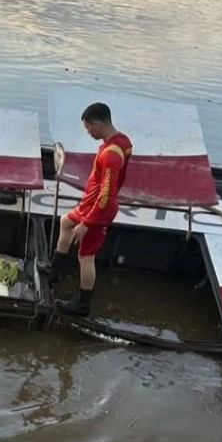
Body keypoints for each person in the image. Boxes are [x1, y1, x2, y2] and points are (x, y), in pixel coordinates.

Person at [51, 102, 133, 316]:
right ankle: (54, 270)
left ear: (97, 124)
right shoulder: (121, 141)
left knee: (86, 257)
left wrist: (87, 223)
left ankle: (82, 305)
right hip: (90, 202)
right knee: (66, 221)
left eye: (88, 127)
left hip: (98, 209)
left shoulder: (111, 155)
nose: (87, 132)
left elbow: (106, 195)